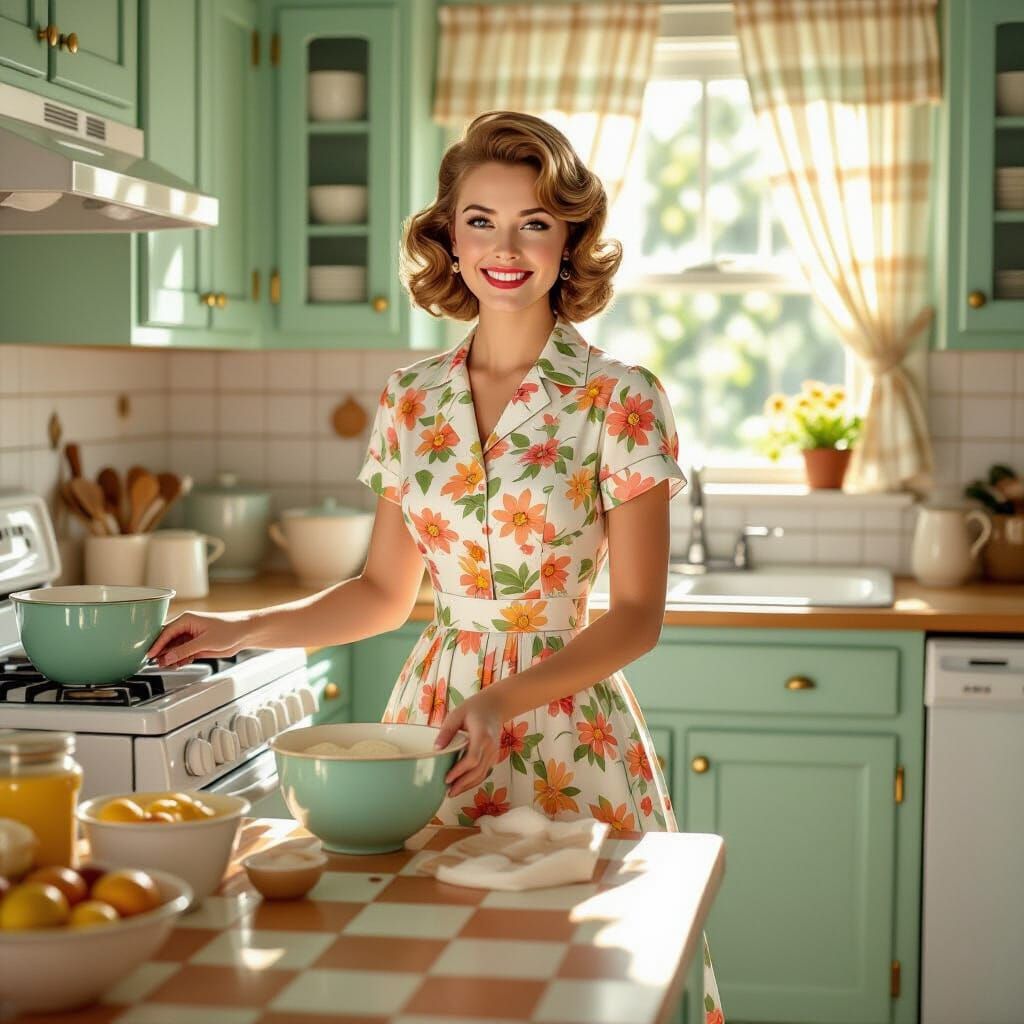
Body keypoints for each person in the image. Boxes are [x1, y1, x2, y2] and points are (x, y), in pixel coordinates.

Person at [147, 110, 724, 1020]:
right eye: (480, 220)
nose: (506, 246)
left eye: (534, 222)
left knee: (589, 980)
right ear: (447, 238)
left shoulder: (621, 397)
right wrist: (240, 629)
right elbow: (382, 594)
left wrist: (501, 700)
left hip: (568, 726)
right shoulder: (411, 399)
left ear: (568, 240)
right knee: (426, 969)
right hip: (431, 729)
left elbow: (637, 615)